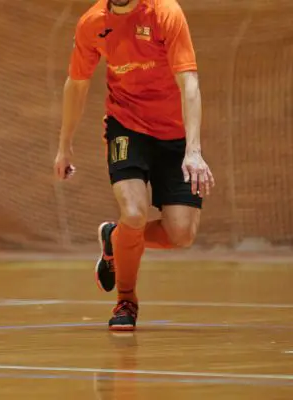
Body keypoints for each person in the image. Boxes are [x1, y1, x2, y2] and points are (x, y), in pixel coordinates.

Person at [53, 0, 214, 331]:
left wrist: (193, 151)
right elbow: (77, 84)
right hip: (127, 125)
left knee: (180, 234)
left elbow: (190, 82)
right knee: (134, 213)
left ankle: (116, 239)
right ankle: (126, 299)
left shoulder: (165, 12)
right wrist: (63, 145)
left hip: (175, 133)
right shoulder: (92, 23)